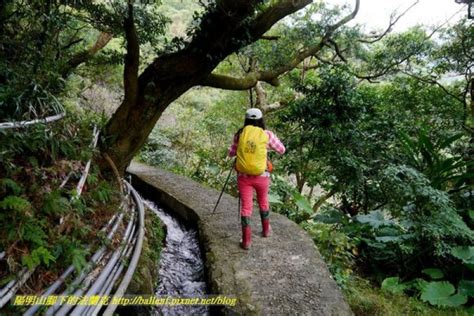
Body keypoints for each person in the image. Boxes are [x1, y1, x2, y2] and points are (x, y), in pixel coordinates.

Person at [228, 108, 285, 250]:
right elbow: (282, 149)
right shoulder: (267, 134)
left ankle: (246, 241)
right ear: (261, 120)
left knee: (246, 207)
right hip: (262, 176)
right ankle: (266, 231)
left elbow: (231, 153)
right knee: (263, 202)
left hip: (244, 177)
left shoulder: (240, 134)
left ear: (246, 120)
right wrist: (265, 149)